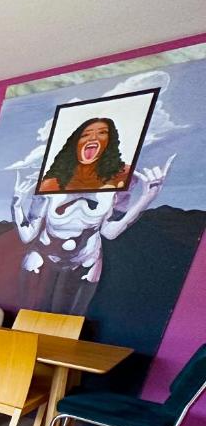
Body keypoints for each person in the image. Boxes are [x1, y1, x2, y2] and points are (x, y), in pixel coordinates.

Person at [12, 153, 175, 315]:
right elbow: (27, 235)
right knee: (29, 314)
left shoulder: (112, 192)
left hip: (86, 260)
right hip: (42, 257)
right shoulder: (51, 189)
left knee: (72, 318)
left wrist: (147, 197)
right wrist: (17, 205)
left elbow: (110, 232)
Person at [38, 118, 130, 193]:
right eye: (85, 135)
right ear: (75, 143)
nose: (93, 138)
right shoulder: (54, 180)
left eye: (102, 133)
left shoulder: (125, 173)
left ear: (110, 141)